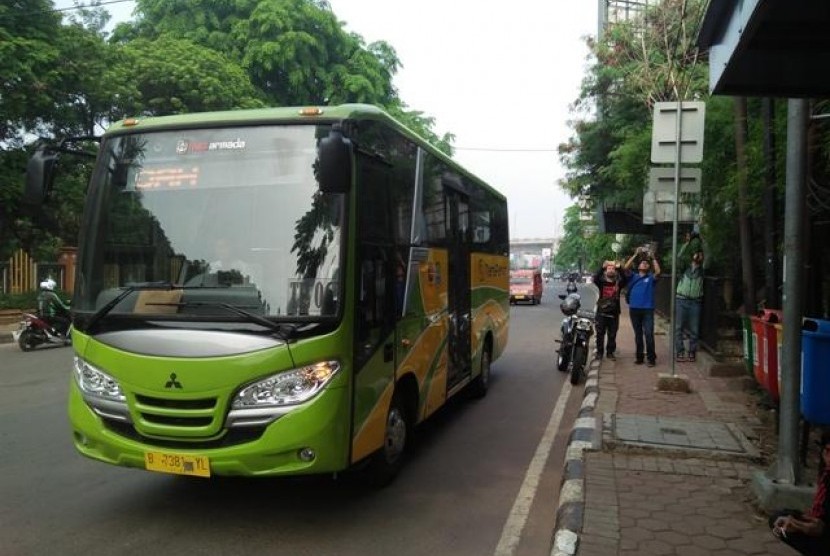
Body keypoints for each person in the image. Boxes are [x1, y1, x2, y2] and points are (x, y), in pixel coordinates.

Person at [769, 429, 830, 555]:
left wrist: (817, 529)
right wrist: (799, 523)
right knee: (779, 518)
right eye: (828, 451)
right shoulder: (826, 474)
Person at [623, 246, 661, 367]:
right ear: (638, 266)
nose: (644, 264)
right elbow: (625, 268)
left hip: (647, 309)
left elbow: (658, 272)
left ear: (648, 267)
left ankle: (651, 358)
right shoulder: (633, 276)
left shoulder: (650, 278)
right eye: (642, 263)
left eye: (646, 263)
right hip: (634, 309)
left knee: (649, 333)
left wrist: (652, 257)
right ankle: (639, 357)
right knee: (638, 334)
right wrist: (635, 254)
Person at [674, 231, 706, 362]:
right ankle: (680, 351)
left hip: (695, 302)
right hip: (681, 300)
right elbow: (679, 257)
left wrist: (703, 241)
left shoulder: (703, 270)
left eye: (700, 254)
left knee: (694, 329)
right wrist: (687, 242)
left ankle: (692, 352)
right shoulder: (684, 268)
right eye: (697, 254)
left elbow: (708, 255)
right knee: (678, 328)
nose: (698, 255)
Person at [592, 260, 628, 361]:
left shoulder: (618, 283)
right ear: (605, 272)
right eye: (609, 269)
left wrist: (619, 267)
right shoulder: (601, 283)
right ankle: (599, 352)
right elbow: (595, 278)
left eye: (613, 269)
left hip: (614, 312)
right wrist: (602, 267)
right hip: (602, 311)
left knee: (612, 333)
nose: (611, 270)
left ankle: (610, 352)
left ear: (615, 272)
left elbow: (625, 278)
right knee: (600, 333)